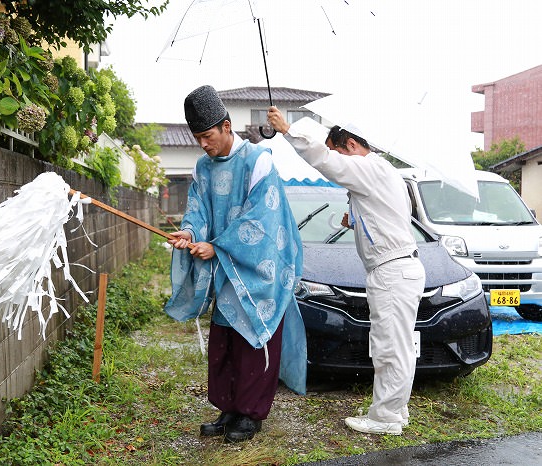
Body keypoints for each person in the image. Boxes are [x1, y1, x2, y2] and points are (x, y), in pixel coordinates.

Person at [267, 107, 425, 435]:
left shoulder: (368, 166)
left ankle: (385, 418)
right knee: (398, 344)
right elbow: (385, 215)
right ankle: (396, 410)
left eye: (339, 151)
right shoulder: (384, 172)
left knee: (389, 346)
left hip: (392, 271)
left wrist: (288, 130)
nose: (340, 161)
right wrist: (354, 219)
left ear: (351, 145)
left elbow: (327, 161)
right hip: (400, 267)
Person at [165, 86, 306, 443]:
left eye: (207, 136)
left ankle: (251, 415)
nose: (202, 144)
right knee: (225, 341)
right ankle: (229, 409)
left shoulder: (258, 160)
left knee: (253, 340)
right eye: (197, 137)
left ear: (226, 126)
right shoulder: (202, 166)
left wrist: (216, 247)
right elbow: (197, 207)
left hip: (261, 267)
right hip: (228, 267)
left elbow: (262, 219)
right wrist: (188, 232)